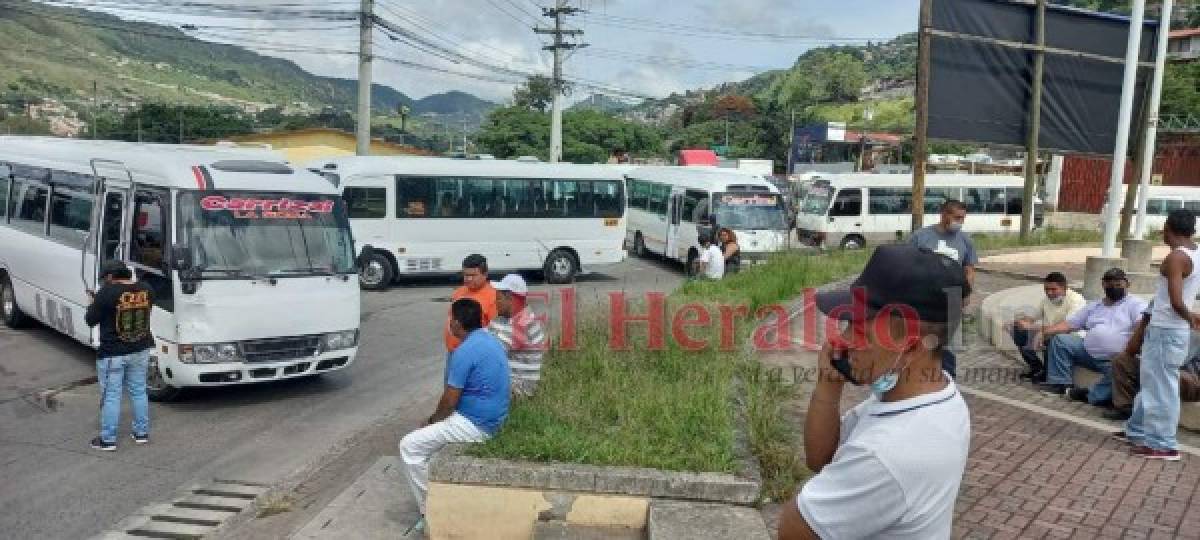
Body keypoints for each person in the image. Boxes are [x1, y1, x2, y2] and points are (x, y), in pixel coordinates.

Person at [778, 245, 971, 539]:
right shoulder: (937, 396)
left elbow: (794, 530)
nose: (842, 339)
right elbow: (820, 459)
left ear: (911, 348)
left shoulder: (885, 454)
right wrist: (829, 385)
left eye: (860, 331)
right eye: (846, 323)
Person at [400, 298, 510, 533]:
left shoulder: (464, 351)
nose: (449, 323)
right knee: (431, 450)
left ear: (457, 323)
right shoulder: (491, 341)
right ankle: (442, 498)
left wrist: (430, 421)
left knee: (409, 447)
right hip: (493, 418)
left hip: (474, 424)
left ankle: (429, 509)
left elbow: (449, 401)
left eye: (450, 319)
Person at [1122, 209, 1200, 461]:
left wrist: (1190, 319)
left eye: (1164, 228)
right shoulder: (1195, 252)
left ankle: (1164, 444)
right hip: (1170, 331)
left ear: (1169, 228)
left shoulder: (1176, 257)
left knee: (1162, 388)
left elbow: (1176, 300)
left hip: (1167, 330)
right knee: (1153, 384)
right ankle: (1138, 431)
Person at [1037, 268, 1147, 406]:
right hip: (1087, 352)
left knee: (1121, 369)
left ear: (1127, 284)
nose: (1114, 287)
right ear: (1103, 285)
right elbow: (1070, 323)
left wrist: (1131, 350)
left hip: (1114, 358)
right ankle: (1059, 384)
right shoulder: (1095, 305)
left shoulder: (1135, 304)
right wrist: (1044, 332)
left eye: (1118, 284)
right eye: (1109, 284)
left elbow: (1141, 325)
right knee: (1060, 340)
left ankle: (1090, 395)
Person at [85, 261, 155, 451]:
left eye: (104, 278)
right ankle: (141, 433)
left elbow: (90, 320)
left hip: (113, 353)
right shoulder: (146, 288)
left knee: (111, 396)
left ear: (109, 276)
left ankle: (108, 439)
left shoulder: (106, 293)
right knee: (139, 391)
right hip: (141, 348)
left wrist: (93, 302)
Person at [909, 199, 978, 378]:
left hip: (952, 300)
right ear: (944, 214)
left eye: (962, 218)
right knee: (921, 341)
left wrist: (967, 292)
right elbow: (908, 265)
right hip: (924, 299)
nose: (959, 222)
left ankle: (948, 383)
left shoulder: (966, 240)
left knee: (948, 345)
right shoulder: (920, 237)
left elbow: (969, 269)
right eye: (956, 217)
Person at [1107, 307, 1200, 423]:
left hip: (1191, 379)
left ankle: (1150, 420)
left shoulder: (1192, 330)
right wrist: (1144, 325)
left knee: (1165, 372)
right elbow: (1131, 350)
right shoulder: (1156, 326)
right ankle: (1125, 408)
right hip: (1160, 368)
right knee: (1121, 360)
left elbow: (1174, 361)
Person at [1010, 272, 1086, 382]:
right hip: (1050, 332)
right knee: (1019, 330)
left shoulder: (1076, 300)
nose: (1049, 293)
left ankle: (1047, 373)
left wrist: (1037, 329)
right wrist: (1021, 321)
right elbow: (1032, 318)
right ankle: (1036, 367)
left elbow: (1066, 327)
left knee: (1053, 338)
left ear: (1065, 288)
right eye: (1046, 289)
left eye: (1054, 289)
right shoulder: (1047, 300)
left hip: (1071, 337)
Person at [487, 274, 547, 397]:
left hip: (520, 388)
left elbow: (489, 354)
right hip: (510, 382)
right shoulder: (507, 318)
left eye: (498, 298)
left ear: (510, 298)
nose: (495, 302)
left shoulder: (523, 324)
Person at [444, 254, 498, 353]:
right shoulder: (458, 292)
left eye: (473, 275)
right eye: (466, 275)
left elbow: (495, 332)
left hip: (475, 353)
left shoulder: (493, 297)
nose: (468, 279)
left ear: (485, 274)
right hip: (453, 352)